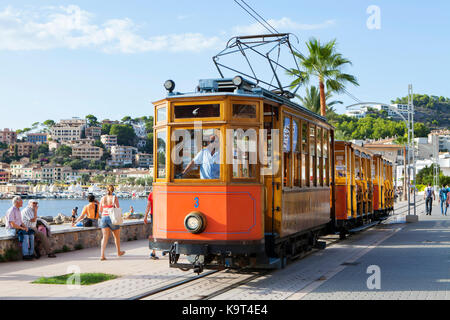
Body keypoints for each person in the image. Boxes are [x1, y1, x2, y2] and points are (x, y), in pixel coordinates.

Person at [99, 185, 125, 261]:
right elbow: (117, 208)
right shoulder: (114, 198)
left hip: (104, 218)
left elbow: (100, 210)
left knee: (104, 237)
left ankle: (102, 255)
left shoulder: (102, 198)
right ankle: (118, 252)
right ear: (113, 190)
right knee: (116, 237)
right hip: (112, 218)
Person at [4, 196, 35, 260]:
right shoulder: (11, 210)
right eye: (21, 201)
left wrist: (25, 227)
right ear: (17, 202)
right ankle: (25, 255)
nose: (22, 202)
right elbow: (12, 225)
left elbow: (21, 222)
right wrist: (22, 228)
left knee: (31, 232)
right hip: (11, 230)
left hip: (18, 228)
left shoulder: (18, 210)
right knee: (25, 234)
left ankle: (31, 253)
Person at [144, 191, 158, 260]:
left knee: (154, 233)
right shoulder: (162, 192)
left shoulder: (151, 194)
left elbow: (148, 206)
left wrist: (145, 216)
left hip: (154, 215)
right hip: (162, 214)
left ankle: (153, 252)